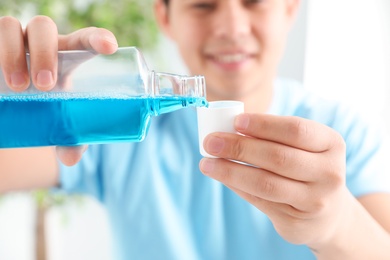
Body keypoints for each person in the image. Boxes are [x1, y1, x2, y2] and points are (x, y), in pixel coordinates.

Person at [1, 0, 390, 259]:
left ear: (289, 8)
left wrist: (338, 224)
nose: (232, 27)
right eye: (203, 4)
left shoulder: (341, 137)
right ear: (165, 17)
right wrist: (21, 86)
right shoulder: (111, 131)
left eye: (253, 1)